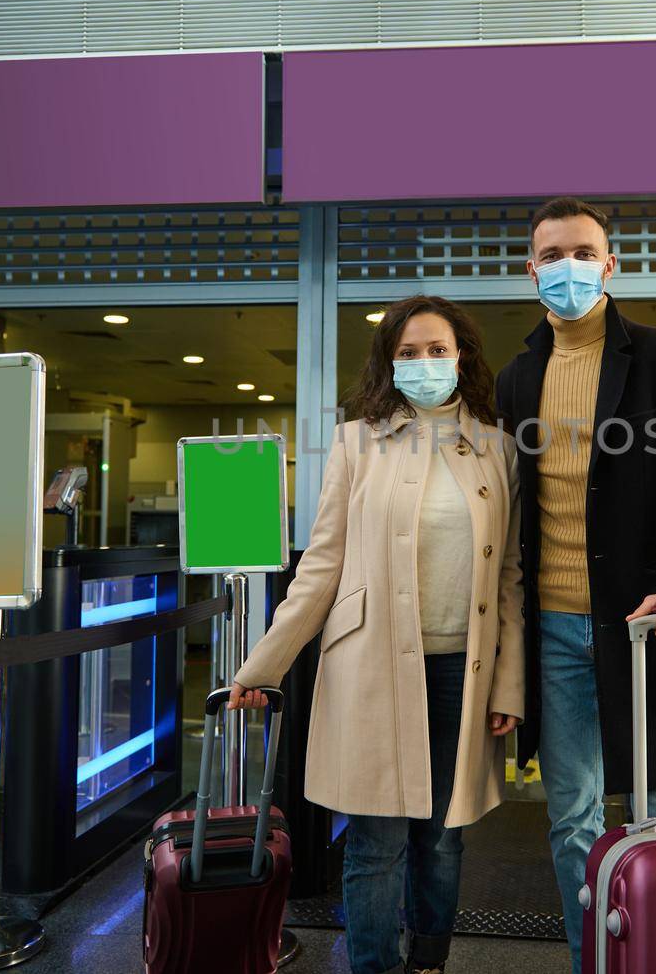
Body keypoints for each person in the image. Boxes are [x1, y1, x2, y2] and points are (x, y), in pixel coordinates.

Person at [229, 295, 525, 974]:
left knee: (443, 839)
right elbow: (322, 563)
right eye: (410, 352)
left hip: (463, 667)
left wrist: (510, 681)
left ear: (462, 357)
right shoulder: (355, 441)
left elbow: (510, 575)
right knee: (376, 840)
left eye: (438, 349)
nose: (425, 363)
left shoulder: (497, 446)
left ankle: (427, 961)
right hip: (371, 663)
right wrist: (261, 665)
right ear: (390, 363)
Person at [495, 197, 656, 973]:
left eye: (583, 251)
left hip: (648, 627)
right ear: (529, 269)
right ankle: (595, 963)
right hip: (554, 629)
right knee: (570, 819)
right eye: (550, 253)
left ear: (610, 264)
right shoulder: (517, 378)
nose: (566, 266)